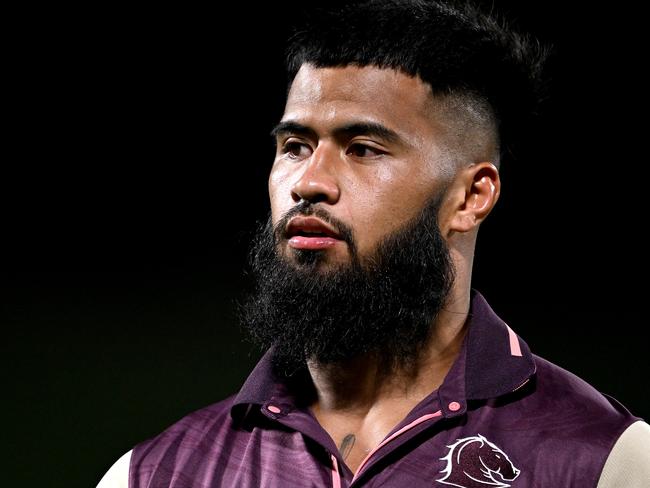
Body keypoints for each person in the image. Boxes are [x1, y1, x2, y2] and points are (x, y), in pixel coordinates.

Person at [98, 1, 649, 486]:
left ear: (470, 196)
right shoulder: (153, 475)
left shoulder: (607, 463)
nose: (309, 182)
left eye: (362, 148)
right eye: (294, 146)